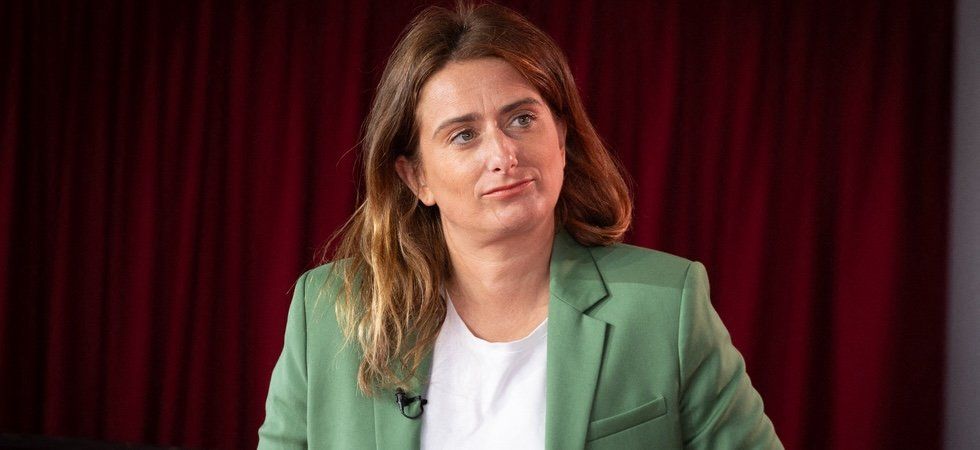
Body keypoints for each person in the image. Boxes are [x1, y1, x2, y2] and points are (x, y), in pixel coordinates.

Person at [258, 3, 781, 449]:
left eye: (522, 119)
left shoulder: (666, 305)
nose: (504, 154)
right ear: (417, 178)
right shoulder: (328, 313)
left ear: (562, 138)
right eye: (464, 135)